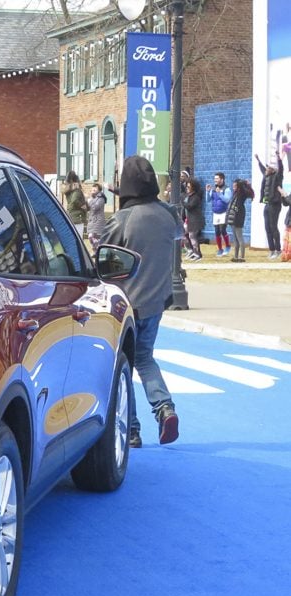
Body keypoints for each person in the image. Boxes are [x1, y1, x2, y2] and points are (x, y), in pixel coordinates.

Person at [99, 155, 180, 449]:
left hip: (127, 304)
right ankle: (165, 408)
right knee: (145, 359)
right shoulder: (168, 214)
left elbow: (102, 252)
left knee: (123, 366)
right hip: (157, 301)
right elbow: (176, 237)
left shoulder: (123, 219)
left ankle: (131, 429)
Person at [256, 151, 284, 259]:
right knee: (267, 228)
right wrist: (258, 160)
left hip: (275, 205)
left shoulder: (277, 176)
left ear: (272, 170)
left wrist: (278, 158)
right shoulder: (266, 175)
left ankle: (278, 250)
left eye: (268, 168)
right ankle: (271, 250)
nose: (266, 169)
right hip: (267, 205)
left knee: (273, 227)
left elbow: (281, 168)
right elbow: (262, 168)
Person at [226, 178, 253, 263]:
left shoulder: (241, 194)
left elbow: (249, 193)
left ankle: (242, 257)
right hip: (233, 218)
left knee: (239, 237)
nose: (233, 187)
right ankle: (236, 256)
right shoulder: (235, 194)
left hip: (238, 218)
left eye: (235, 186)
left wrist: (247, 184)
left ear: (239, 187)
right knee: (235, 239)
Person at [205, 172, 232, 257]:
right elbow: (208, 200)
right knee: (217, 231)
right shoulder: (213, 189)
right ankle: (220, 249)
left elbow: (227, 200)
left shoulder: (227, 189)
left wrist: (220, 193)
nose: (215, 180)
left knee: (222, 230)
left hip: (223, 212)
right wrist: (207, 191)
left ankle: (227, 246)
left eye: (217, 179)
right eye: (215, 179)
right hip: (215, 213)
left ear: (222, 179)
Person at [182, 177, 205, 261]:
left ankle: (197, 253)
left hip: (195, 220)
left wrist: (183, 202)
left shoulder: (196, 197)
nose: (187, 189)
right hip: (188, 219)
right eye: (186, 187)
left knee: (193, 236)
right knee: (184, 235)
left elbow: (189, 206)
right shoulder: (187, 196)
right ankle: (190, 250)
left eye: (189, 187)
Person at [61, 171, 88, 238]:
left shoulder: (68, 191)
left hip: (71, 216)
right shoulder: (77, 191)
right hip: (78, 217)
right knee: (79, 238)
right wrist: (82, 205)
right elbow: (75, 200)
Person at [86, 182, 107, 252]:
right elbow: (89, 208)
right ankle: (96, 250)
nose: (93, 190)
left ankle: (97, 250)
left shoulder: (101, 198)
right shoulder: (92, 197)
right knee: (91, 237)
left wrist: (89, 201)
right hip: (92, 220)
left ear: (99, 190)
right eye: (92, 189)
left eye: (95, 189)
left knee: (92, 237)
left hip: (98, 220)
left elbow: (95, 207)